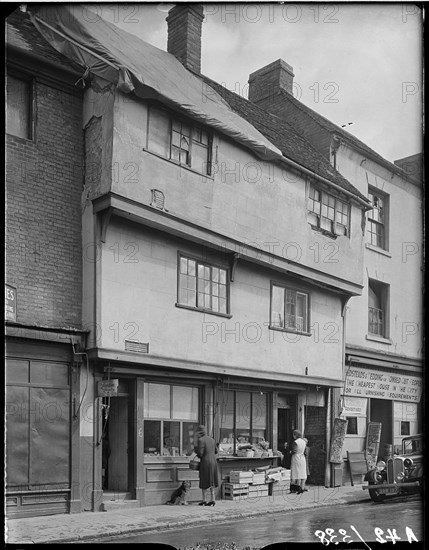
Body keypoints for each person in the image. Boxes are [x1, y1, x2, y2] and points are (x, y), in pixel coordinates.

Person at [194, 424, 219, 506]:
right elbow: (216, 451)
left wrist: (196, 450)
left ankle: (204, 499)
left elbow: (200, 454)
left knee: (204, 480)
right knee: (212, 480)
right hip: (213, 462)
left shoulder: (201, 440)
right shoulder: (212, 439)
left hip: (205, 462)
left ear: (199, 432)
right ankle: (213, 499)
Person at [290, 429, 307, 494]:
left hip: (296, 458)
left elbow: (294, 451)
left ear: (295, 435)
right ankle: (302, 488)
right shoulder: (304, 442)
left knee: (295, 473)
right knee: (302, 473)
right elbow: (305, 451)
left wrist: (290, 452)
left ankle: (294, 488)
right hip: (302, 457)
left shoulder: (295, 442)